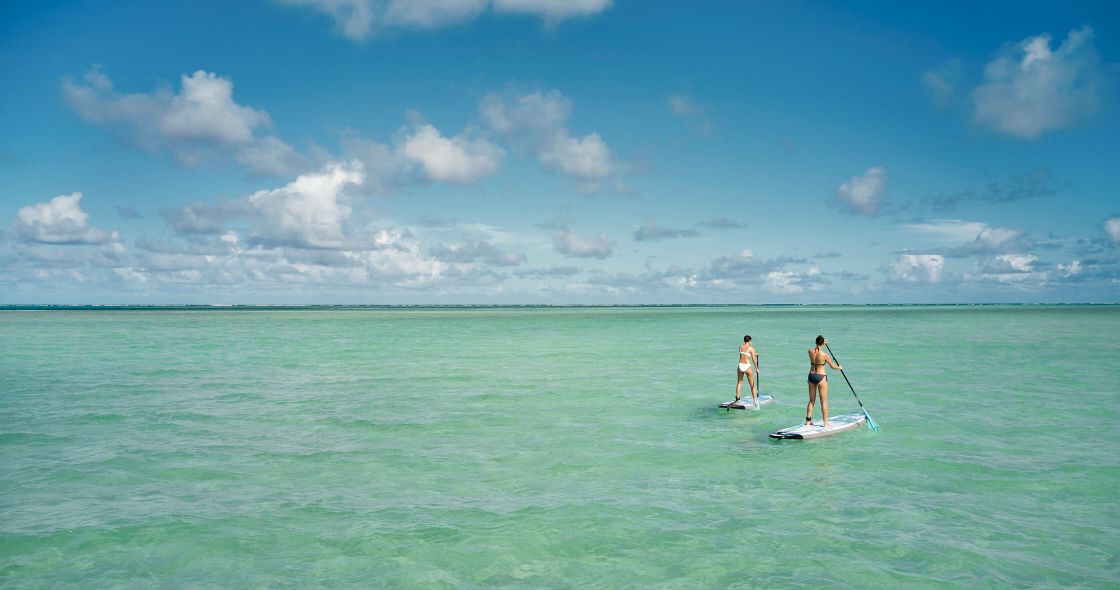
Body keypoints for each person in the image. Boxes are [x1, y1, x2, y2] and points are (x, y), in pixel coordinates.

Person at [806, 335, 841, 427]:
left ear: (816, 342)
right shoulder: (825, 355)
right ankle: (825, 423)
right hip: (821, 377)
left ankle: (808, 421)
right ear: (823, 343)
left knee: (811, 400)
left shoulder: (810, 351)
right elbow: (833, 366)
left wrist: (821, 344)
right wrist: (839, 367)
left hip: (811, 376)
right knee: (823, 401)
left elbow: (816, 349)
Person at [735, 335, 759, 406]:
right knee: (752, 384)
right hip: (747, 366)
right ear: (750, 341)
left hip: (740, 365)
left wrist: (754, 354)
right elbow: (754, 360)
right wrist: (757, 368)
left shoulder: (740, 346)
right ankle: (755, 401)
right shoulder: (751, 348)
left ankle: (737, 399)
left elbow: (743, 354)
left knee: (739, 383)